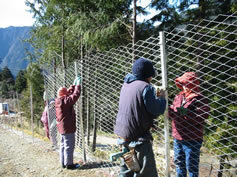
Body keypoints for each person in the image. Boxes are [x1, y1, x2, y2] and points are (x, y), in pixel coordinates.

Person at [114, 58, 167, 177]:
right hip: (138, 138)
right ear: (149, 75)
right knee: (145, 172)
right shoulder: (146, 88)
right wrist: (161, 98)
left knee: (127, 170)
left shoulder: (126, 84)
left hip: (123, 135)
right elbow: (156, 110)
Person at [169, 72, 210, 177]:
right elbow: (173, 112)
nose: (184, 87)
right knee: (179, 164)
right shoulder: (179, 96)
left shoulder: (200, 99)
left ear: (193, 84)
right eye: (182, 84)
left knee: (191, 166)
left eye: (186, 84)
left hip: (192, 139)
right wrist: (166, 109)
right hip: (177, 136)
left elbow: (202, 116)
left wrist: (182, 111)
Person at [55, 83, 81, 170]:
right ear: (64, 94)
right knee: (69, 145)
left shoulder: (59, 100)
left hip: (62, 127)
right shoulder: (64, 101)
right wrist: (77, 87)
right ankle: (69, 164)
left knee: (63, 145)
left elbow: (69, 95)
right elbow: (74, 96)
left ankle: (63, 162)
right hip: (68, 127)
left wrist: (73, 86)